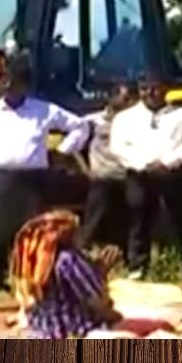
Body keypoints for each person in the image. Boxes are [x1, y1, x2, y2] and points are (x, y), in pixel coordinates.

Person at [0, 55, 90, 293]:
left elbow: (80, 126)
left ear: (24, 85)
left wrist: (63, 151)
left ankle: (28, 279)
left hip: (31, 181)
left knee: (31, 231)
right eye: (3, 81)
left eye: (13, 81)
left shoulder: (43, 110)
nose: (7, 86)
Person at [109, 74, 182, 288]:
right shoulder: (125, 118)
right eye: (145, 89)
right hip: (140, 174)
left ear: (165, 89)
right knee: (139, 221)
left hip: (174, 173)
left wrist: (168, 162)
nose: (150, 93)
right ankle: (137, 268)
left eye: (155, 88)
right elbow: (118, 146)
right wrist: (143, 163)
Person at [11, 210, 123, 338]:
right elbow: (96, 300)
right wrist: (99, 274)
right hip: (74, 330)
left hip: (40, 333)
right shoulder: (68, 259)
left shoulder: (33, 263)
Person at [77, 83, 136, 248]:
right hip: (102, 178)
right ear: (112, 98)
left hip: (127, 177)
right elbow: (72, 147)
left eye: (131, 99)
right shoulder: (92, 121)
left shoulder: (136, 122)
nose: (129, 103)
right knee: (93, 222)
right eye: (125, 98)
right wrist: (86, 170)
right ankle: (81, 253)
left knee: (127, 223)